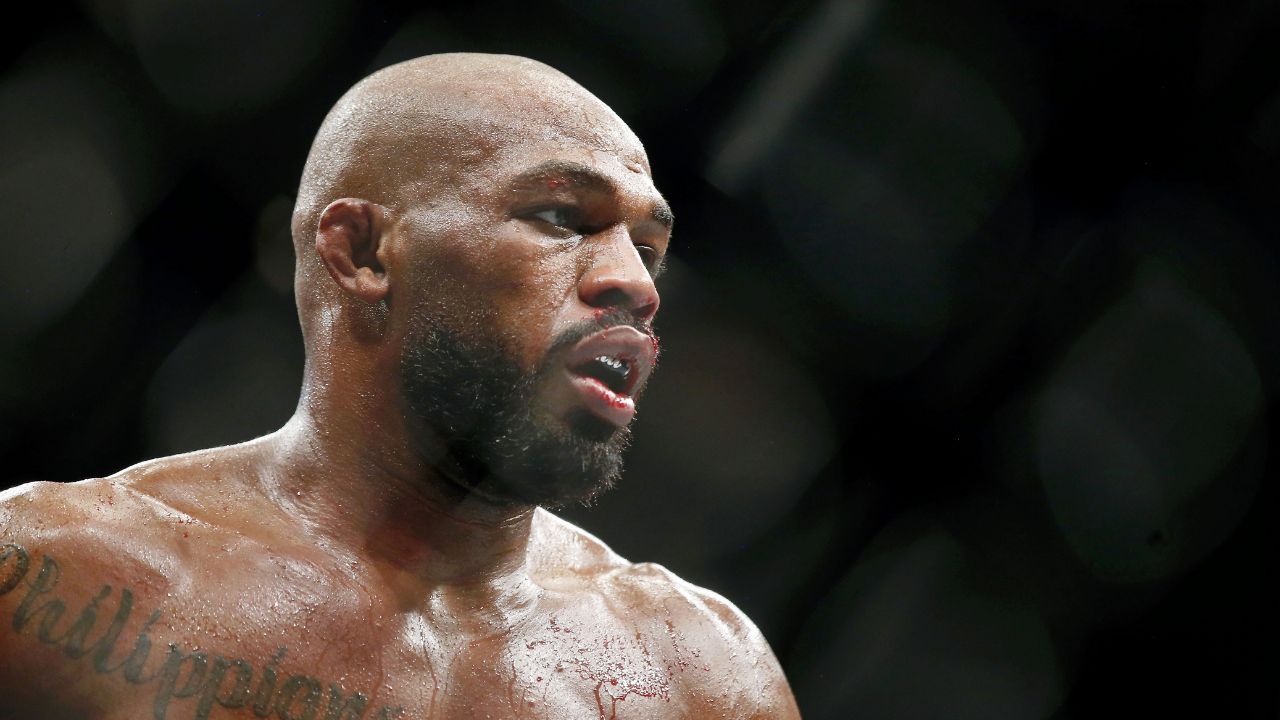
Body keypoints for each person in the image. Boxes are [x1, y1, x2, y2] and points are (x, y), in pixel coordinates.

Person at [0, 54, 801, 719]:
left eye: (650, 247)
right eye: (564, 218)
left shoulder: (699, 677)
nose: (635, 285)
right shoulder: (57, 578)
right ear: (364, 252)